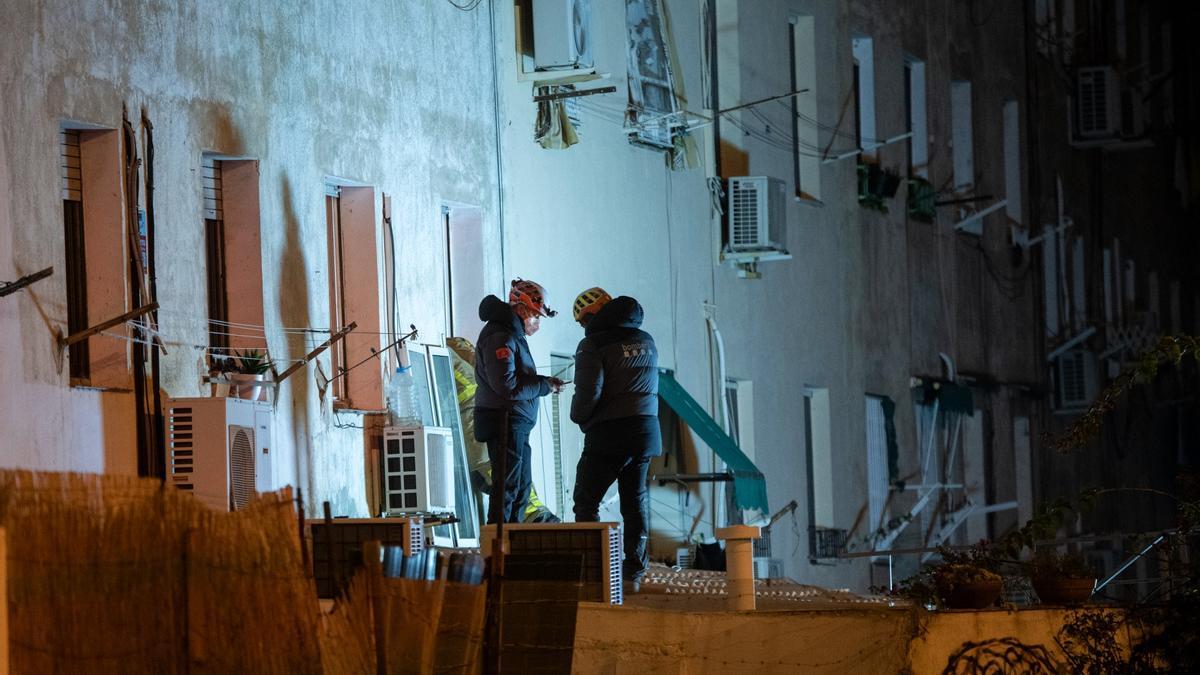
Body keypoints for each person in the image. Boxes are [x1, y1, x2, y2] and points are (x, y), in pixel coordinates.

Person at [569, 287, 659, 592]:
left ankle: (593, 570)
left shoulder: (592, 344)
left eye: (582, 320)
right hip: (646, 432)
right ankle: (634, 571)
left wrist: (578, 416)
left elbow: (588, 394)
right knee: (635, 503)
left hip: (609, 434)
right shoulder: (646, 340)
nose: (583, 327)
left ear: (592, 314)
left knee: (586, 500)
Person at [473, 279, 564, 524]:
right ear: (521, 309)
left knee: (521, 489)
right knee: (508, 488)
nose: (537, 322)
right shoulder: (500, 336)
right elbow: (506, 385)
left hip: (516, 423)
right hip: (504, 421)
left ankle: (513, 546)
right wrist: (544, 386)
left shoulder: (512, 334)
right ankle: (497, 549)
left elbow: (516, 378)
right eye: (536, 316)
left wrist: (545, 382)